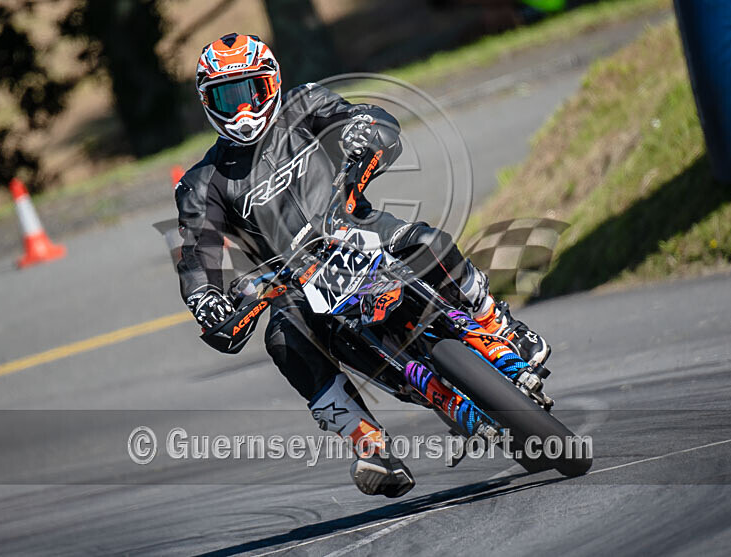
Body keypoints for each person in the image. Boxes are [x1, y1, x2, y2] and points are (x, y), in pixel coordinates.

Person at [176, 33, 550, 498]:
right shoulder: (201, 184)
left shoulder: (305, 103)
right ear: (207, 103)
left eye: (248, 92)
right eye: (226, 98)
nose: (242, 109)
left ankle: (500, 326)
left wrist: (363, 130)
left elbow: (370, 119)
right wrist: (205, 297)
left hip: (359, 226)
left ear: (269, 84)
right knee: (282, 338)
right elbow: (197, 251)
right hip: (293, 281)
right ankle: (368, 443)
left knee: (429, 242)